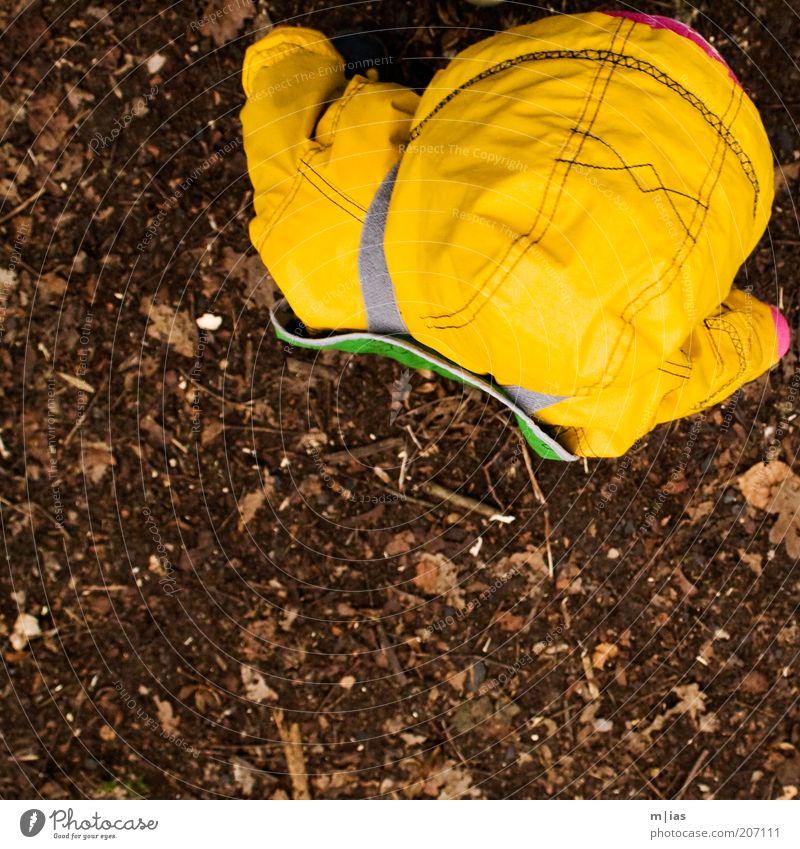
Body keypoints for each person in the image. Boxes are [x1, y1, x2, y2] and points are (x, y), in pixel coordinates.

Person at [240, 11, 789, 459]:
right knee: (375, 132)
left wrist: (767, 336)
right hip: (558, 51)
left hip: (726, 135)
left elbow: (725, 353)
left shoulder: (597, 410)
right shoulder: (323, 264)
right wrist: (293, 55)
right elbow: (280, 99)